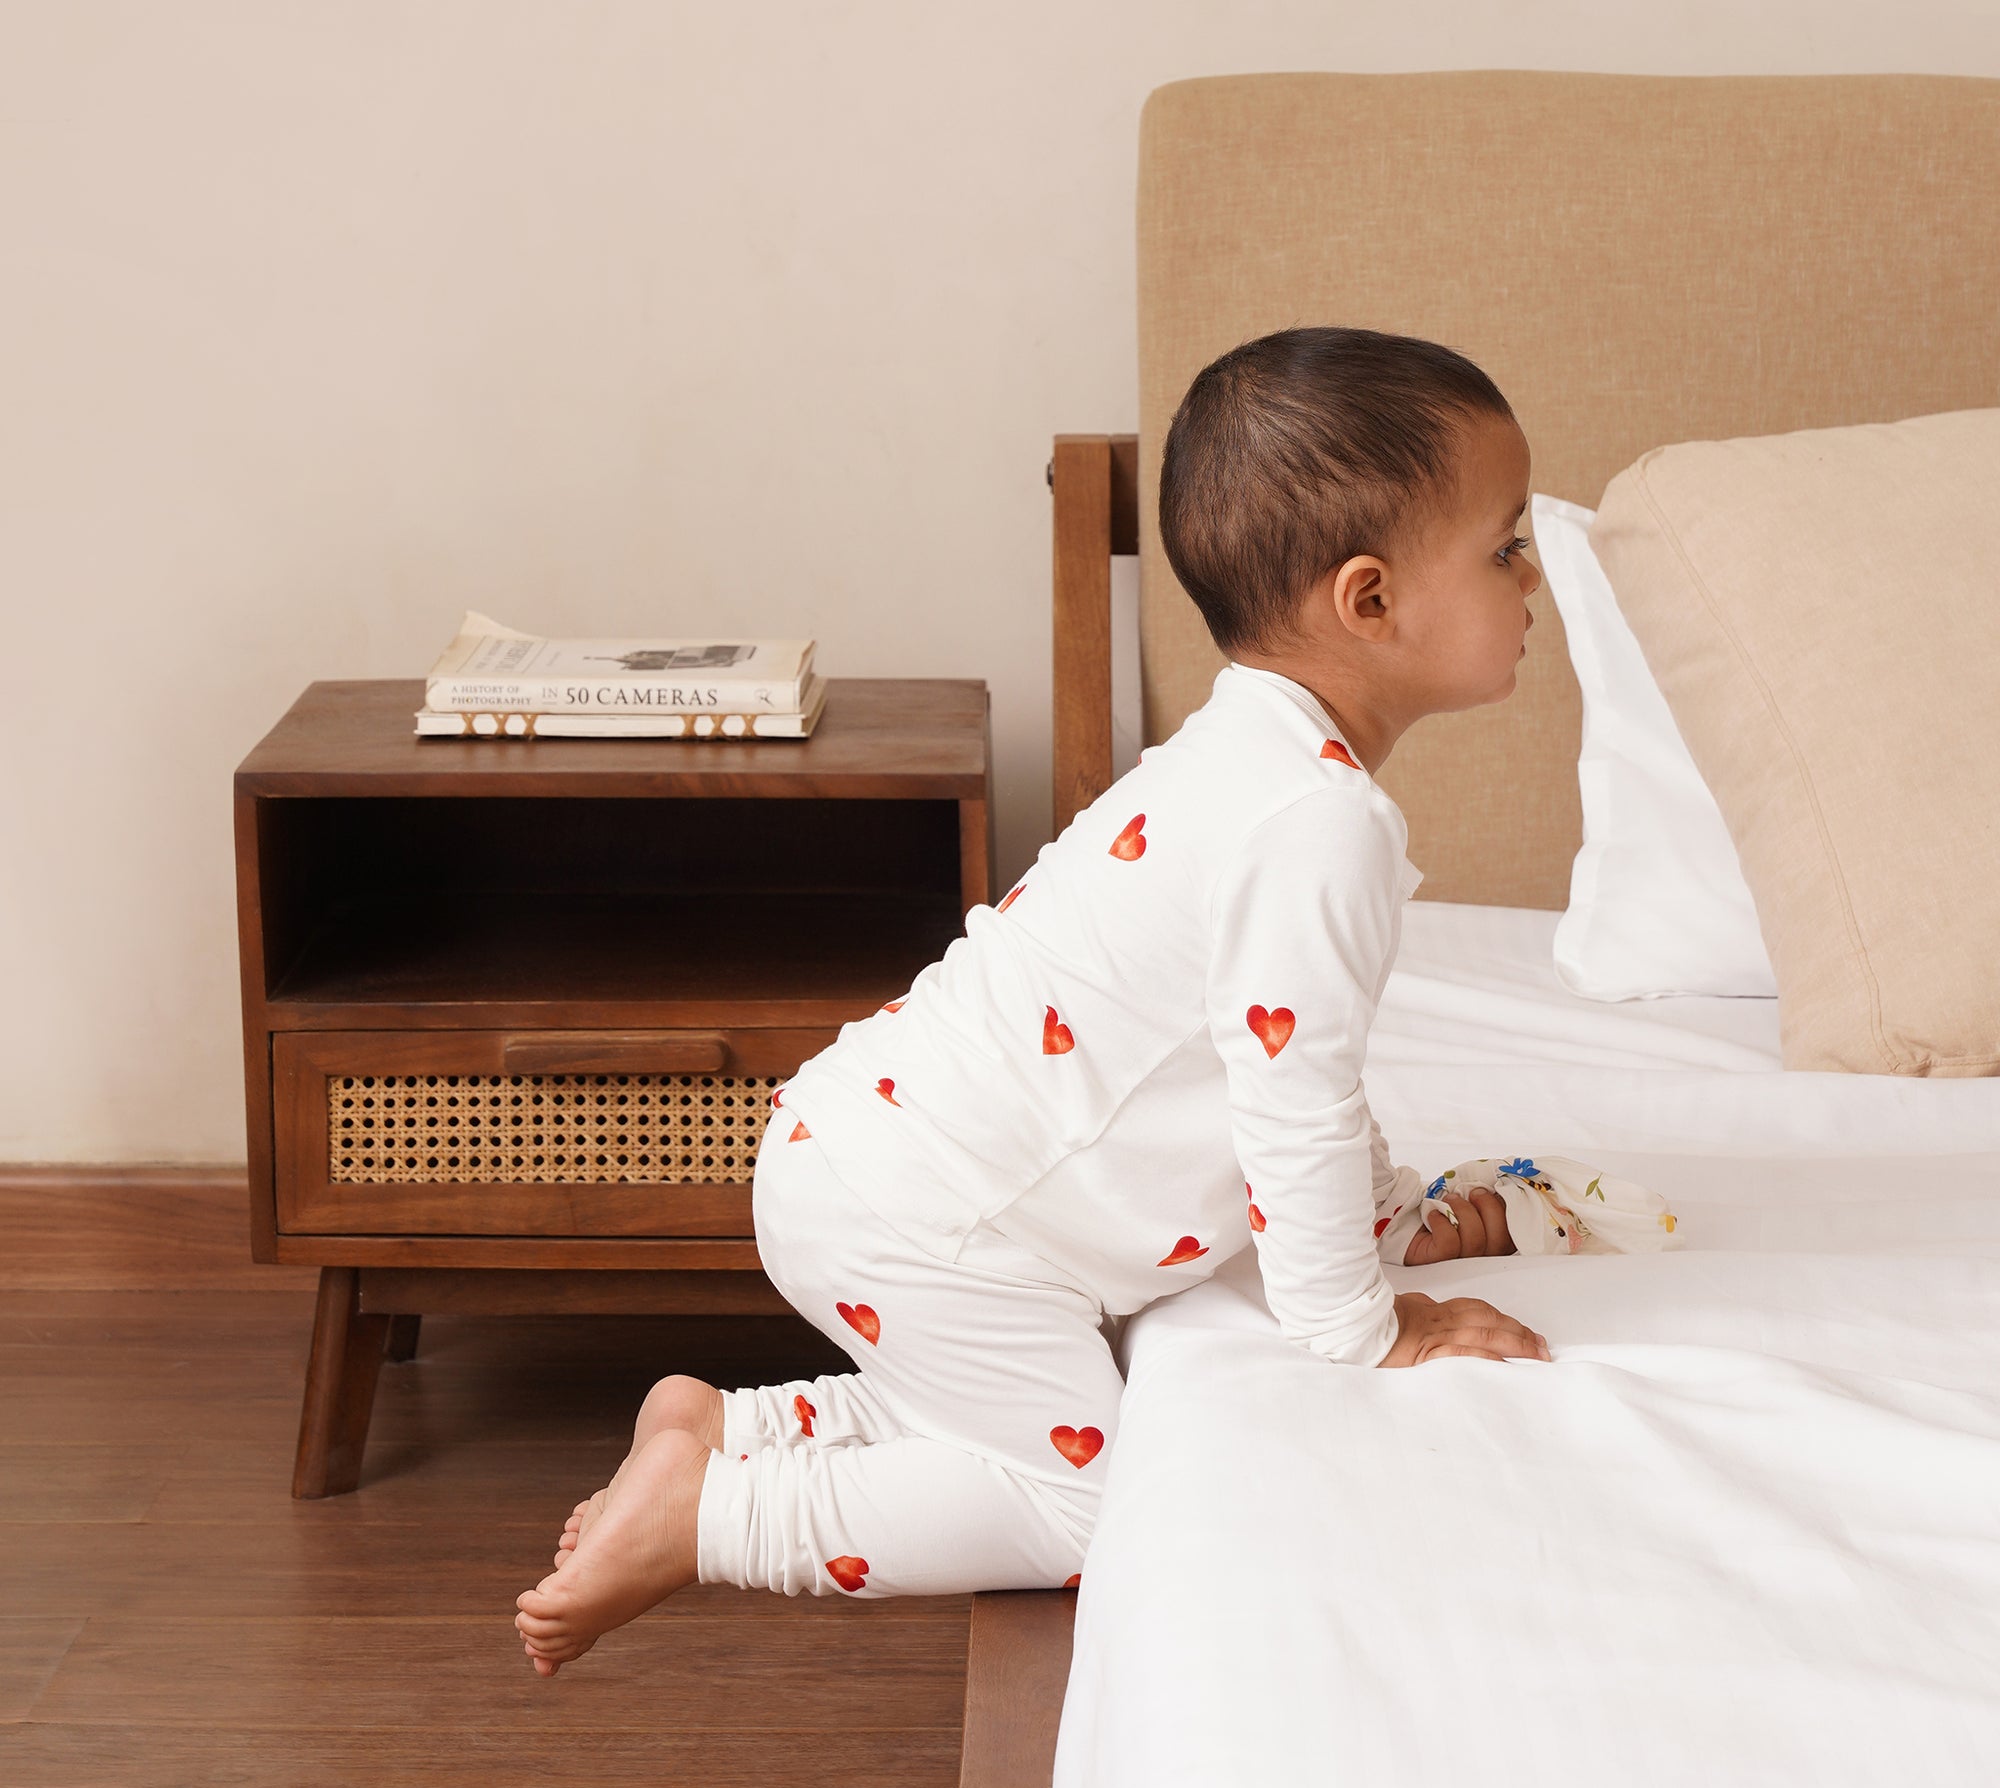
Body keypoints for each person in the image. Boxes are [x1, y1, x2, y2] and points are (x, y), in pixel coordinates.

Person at [514, 327, 1569, 1673]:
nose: (1534, 578)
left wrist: (1389, 1218)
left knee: (999, 1412)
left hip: (872, 1160)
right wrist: (1365, 1328)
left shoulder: (1240, 758)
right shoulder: (1320, 824)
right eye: (1505, 546)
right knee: (1093, 1499)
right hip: (937, 1218)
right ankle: (711, 1521)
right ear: (1370, 600)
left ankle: (725, 1430)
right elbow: (1291, 1101)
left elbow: (1285, 1064)